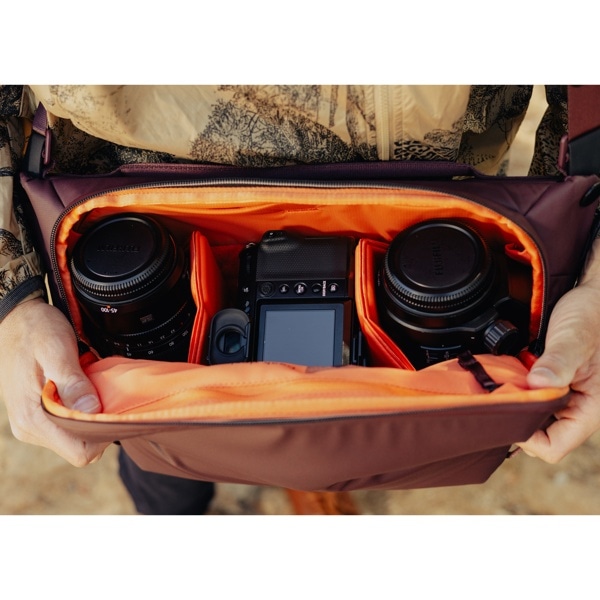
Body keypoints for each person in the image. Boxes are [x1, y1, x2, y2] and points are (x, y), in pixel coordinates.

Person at [1, 85, 599, 514]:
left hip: (436, 193)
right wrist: (13, 299)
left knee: (163, 439)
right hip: (132, 206)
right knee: (153, 440)